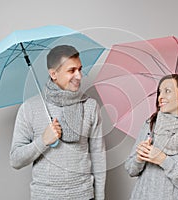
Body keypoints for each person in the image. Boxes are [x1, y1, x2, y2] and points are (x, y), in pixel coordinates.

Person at [10, 45, 106, 200]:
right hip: (45, 196)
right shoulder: (30, 108)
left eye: (80, 69)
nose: (79, 76)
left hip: (83, 195)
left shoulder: (90, 106)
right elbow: (15, 160)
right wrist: (42, 141)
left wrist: (100, 197)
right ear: (53, 73)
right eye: (71, 70)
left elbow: (98, 156)